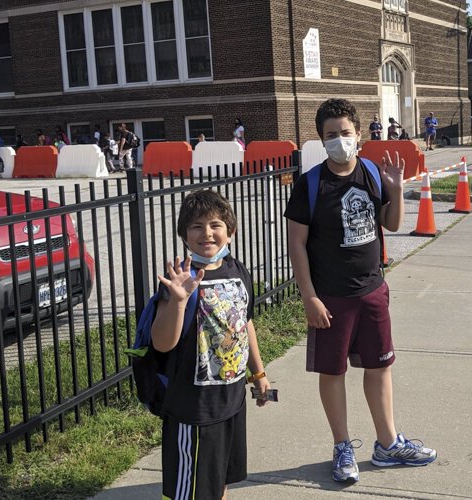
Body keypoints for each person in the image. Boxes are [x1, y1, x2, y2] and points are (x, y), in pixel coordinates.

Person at [284, 98, 436, 484]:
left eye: (345, 133)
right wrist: (309, 297)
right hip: (331, 298)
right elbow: (297, 245)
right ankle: (342, 447)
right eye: (331, 135)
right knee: (332, 372)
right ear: (321, 139)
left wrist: (397, 190)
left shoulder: (369, 171)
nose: (339, 141)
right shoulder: (310, 185)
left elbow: (392, 223)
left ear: (358, 134)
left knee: (380, 365)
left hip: (372, 291)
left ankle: (387, 444)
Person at [151, 189, 271, 500]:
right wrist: (178, 301)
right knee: (189, 492)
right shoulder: (179, 280)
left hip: (231, 401)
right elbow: (162, 344)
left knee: (219, 482)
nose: (207, 233)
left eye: (216, 224)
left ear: (231, 232)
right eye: (197, 226)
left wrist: (258, 374)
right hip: (195, 410)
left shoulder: (237, 270)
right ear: (184, 235)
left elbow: (245, 323)